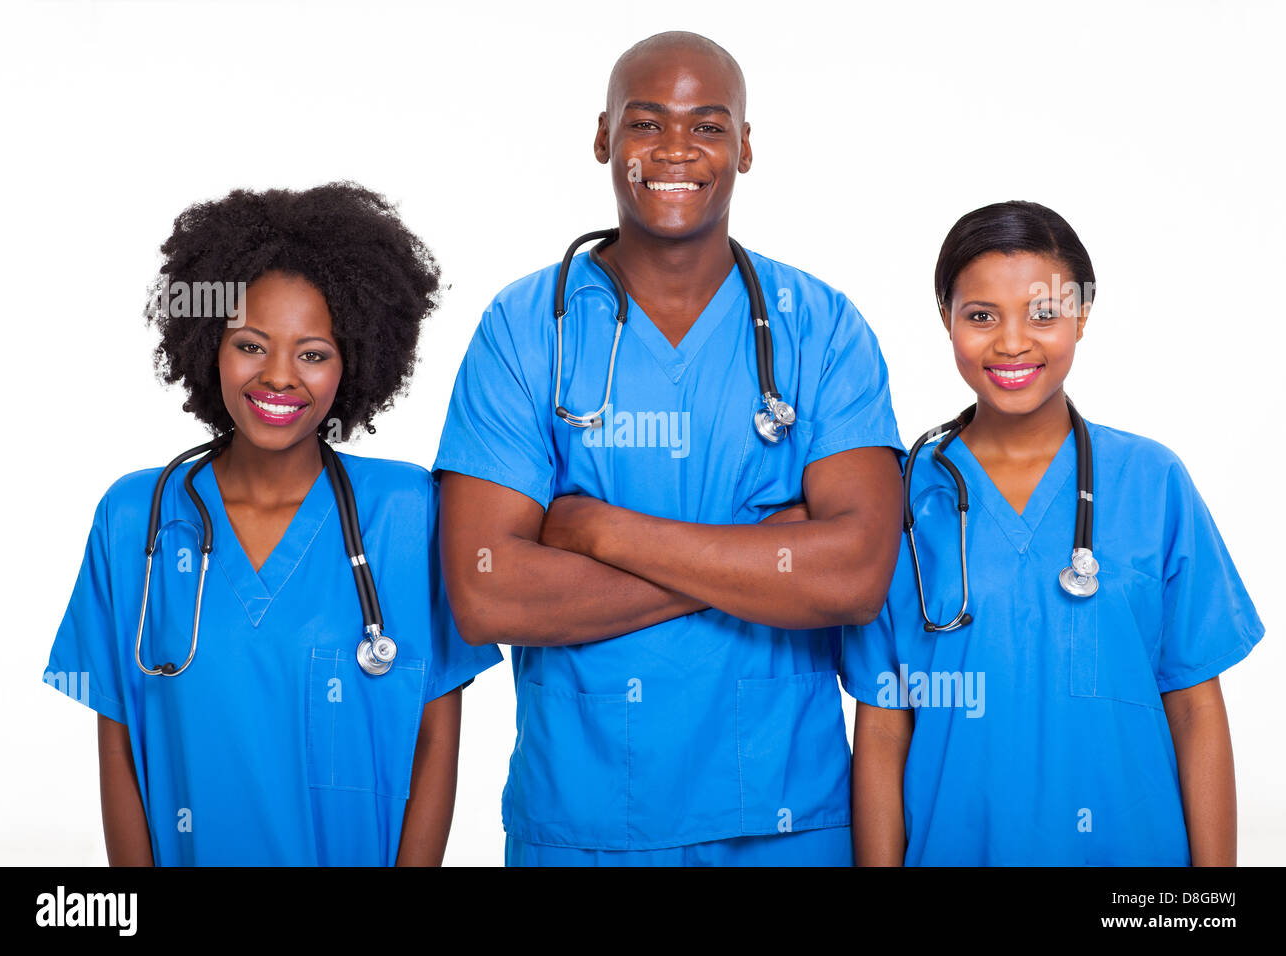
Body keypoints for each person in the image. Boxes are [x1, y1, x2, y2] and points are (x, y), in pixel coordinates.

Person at [434, 32, 903, 866]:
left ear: (747, 147)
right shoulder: (524, 329)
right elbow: (486, 591)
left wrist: (602, 531)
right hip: (584, 822)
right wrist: (764, 554)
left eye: (709, 126)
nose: (677, 150)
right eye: (647, 123)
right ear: (603, 137)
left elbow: (857, 576)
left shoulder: (821, 326)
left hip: (787, 819)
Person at [42, 182, 501, 866]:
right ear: (208, 348)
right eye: (251, 345)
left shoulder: (408, 511)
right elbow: (119, 743)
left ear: (353, 363)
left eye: (313, 353)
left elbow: (436, 734)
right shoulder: (135, 517)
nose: (279, 377)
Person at [844, 200, 1264, 866]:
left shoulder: (1153, 482)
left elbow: (1194, 709)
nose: (1012, 342)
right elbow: (884, 722)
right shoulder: (900, 496)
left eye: (1043, 314)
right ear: (946, 319)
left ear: (1083, 315)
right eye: (980, 316)